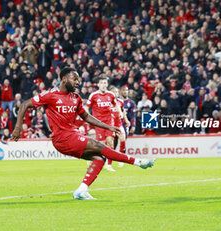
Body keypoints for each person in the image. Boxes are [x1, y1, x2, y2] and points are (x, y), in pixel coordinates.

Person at [12, 67, 155, 200]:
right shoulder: (50, 95)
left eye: (78, 80)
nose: (77, 82)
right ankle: (138, 162)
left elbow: (86, 117)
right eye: (74, 79)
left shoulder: (76, 97)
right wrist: (18, 127)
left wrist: (108, 127)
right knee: (99, 145)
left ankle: (81, 190)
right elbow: (25, 105)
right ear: (64, 79)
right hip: (62, 138)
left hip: (71, 136)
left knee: (99, 158)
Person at [85, 77, 117, 172]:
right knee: (101, 145)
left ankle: (109, 165)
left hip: (109, 122)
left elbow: (116, 105)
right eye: (101, 83)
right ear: (98, 85)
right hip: (99, 123)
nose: (103, 84)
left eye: (105, 83)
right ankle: (91, 156)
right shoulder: (93, 95)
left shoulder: (111, 95)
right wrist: (87, 117)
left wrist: (119, 113)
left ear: (107, 84)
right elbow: (86, 107)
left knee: (110, 142)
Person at [109, 86, 129, 168]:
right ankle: (109, 164)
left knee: (123, 139)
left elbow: (123, 111)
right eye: (113, 92)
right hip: (110, 125)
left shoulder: (120, 101)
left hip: (119, 124)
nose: (115, 93)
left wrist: (126, 120)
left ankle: (121, 160)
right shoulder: (107, 102)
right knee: (111, 145)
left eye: (116, 92)